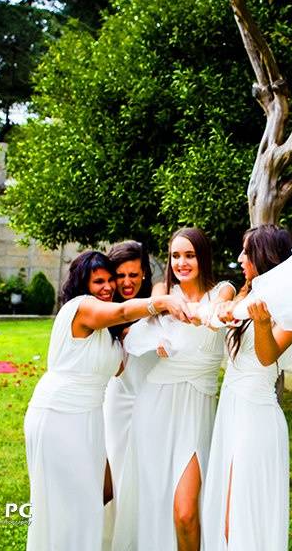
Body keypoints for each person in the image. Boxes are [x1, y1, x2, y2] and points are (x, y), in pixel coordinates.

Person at [23, 250, 182, 551]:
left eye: (111, 280)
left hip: (90, 416)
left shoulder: (107, 329)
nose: (109, 287)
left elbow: (121, 361)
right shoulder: (81, 308)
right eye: (99, 281)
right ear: (83, 283)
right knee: (74, 503)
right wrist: (162, 301)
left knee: (103, 493)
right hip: (60, 413)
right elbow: (123, 313)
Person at [116, 227, 235, 551]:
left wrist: (202, 314)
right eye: (176, 256)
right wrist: (159, 341)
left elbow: (215, 314)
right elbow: (133, 335)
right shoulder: (162, 292)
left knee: (185, 511)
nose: (182, 262)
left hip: (196, 406)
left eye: (189, 255)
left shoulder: (223, 291)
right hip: (155, 404)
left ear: (203, 257)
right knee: (155, 499)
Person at [201, 225, 292, 551]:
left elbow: (267, 356)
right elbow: (217, 314)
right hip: (230, 408)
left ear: (263, 255)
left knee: (242, 515)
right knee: (224, 510)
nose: (240, 257)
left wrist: (261, 324)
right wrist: (222, 305)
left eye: (247, 251)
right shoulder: (244, 294)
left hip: (256, 416)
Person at [101, 241, 156, 541]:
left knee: (147, 475)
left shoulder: (155, 308)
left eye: (134, 275)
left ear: (144, 274)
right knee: (118, 471)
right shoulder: (106, 311)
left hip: (151, 401)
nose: (127, 282)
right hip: (118, 399)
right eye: (120, 275)